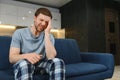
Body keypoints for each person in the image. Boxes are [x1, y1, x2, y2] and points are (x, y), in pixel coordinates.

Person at [9, 7, 65, 80]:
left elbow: (51, 57)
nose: (43, 23)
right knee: (24, 64)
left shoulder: (49, 36)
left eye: (46, 22)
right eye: (41, 20)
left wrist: (47, 33)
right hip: (25, 64)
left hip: (42, 65)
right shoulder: (19, 33)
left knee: (58, 61)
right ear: (35, 18)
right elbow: (12, 58)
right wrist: (27, 56)